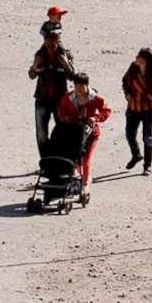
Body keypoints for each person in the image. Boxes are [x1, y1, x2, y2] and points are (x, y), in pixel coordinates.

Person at [54, 72, 112, 204]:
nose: (79, 89)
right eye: (76, 86)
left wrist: (96, 118)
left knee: (86, 159)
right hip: (74, 133)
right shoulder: (69, 97)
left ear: (87, 85)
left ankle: (85, 186)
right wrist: (65, 118)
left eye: (82, 86)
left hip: (91, 134)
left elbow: (106, 111)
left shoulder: (95, 98)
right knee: (75, 160)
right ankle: (79, 180)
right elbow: (60, 109)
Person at [27, 10, 74, 153]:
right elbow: (31, 75)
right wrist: (35, 68)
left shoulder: (64, 54)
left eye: (55, 39)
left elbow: (73, 76)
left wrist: (66, 64)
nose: (52, 43)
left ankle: (62, 161)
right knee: (41, 133)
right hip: (42, 98)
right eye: (49, 40)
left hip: (60, 99)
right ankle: (45, 162)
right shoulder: (40, 55)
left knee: (62, 130)